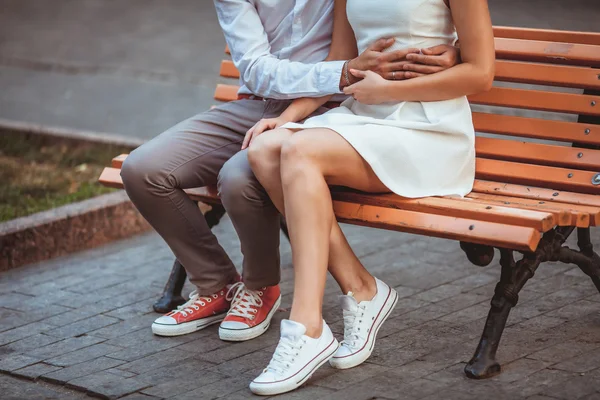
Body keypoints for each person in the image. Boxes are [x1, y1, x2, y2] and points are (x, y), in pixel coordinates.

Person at [120, 0, 460, 342]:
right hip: (264, 103)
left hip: (336, 106)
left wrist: (454, 52)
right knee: (143, 170)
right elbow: (255, 69)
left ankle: (261, 287)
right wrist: (339, 73)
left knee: (238, 177)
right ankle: (217, 285)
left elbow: (406, 21)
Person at [245, 0, 495, 395]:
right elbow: (344, 63)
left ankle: (307, 326)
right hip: (366, 117)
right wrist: (288, 117)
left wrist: (392, 90)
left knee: (298, 151)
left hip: (428, 129)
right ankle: (361, 287)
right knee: (263, 151)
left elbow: (481, 73)